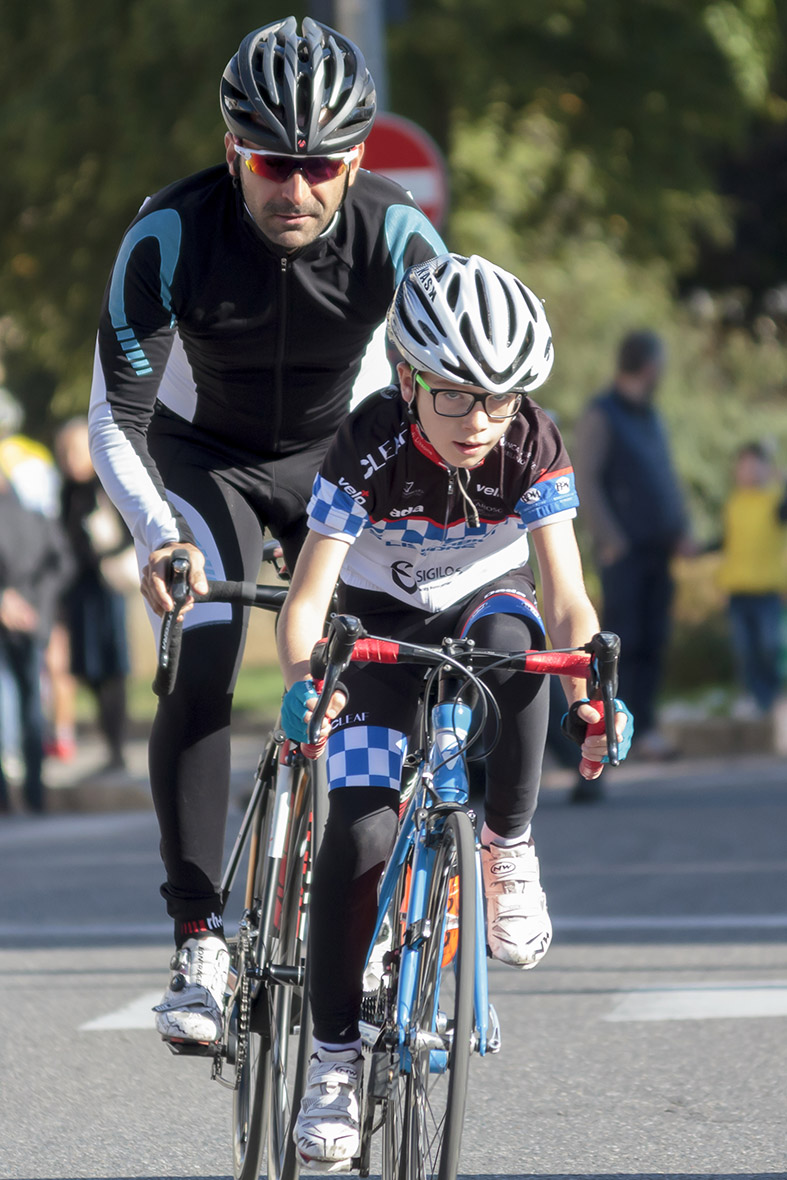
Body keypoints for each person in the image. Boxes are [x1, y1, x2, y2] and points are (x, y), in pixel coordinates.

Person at [87, 16, 445, 1044]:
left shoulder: (398, 234)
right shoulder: (171, 232)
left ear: (356, 161)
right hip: (206, 461)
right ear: (232, 150)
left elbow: (451, 396)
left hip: (342, 453)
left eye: (319, 165)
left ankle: (378, 912)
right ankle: (199, 936)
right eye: (271, 163)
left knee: (390, 656)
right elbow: (114, 418)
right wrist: (159, 536)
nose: (295, 188)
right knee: (204, 648)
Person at [275, 253, 633, 1169]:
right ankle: (333, 1063)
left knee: (521, 644)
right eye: (455, 396)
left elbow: (567, 598)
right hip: (375, 631)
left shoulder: (531, 442)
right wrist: (307, 679)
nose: (479, 420)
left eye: (500, 399)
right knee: (359, 829)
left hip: (482, 608)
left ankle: (506, 848)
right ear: (407, 380)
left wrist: (588, 695)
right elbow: (306, 602)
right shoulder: (367, 443)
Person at [573, 330, 693, 767]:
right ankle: (612, 729)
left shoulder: (649, 415)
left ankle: (647, 731)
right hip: (624, 556)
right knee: (624, 644)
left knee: (654, 643)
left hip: (659, 550)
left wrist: (681, 529)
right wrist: (612, 541)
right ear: (649, 365)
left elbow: (665, 478)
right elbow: (586, 480)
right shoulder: (601, 414)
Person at [55, 418, 135, 772]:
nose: (69, 458)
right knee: (87, 669)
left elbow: (127, 534)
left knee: (112, 667)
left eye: (75, 450)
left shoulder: (106, 485)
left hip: (107, 588)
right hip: (79, 591)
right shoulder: (65, 492)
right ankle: (110, 746)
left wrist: (101, 553)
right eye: (64, 452)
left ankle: (117, 749)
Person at [0, 470, 72, 813]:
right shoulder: (36, 516)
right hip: (31, 620)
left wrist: (19, 603)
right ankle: (33, 794)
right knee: (28, 705)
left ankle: (17, 795)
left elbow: (60, 564)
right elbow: (61, 564)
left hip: (26, 622)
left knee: (21, 705)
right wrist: (34, 608)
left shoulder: (34, 517)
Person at [716, 441, 787, 716]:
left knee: (768, 646)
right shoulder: (733, 505)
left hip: (767, 590)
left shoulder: (774, 503)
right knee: (744, 649)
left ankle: (769, 696)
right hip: (738, 590)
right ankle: (751, 696)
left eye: (756, 466)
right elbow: (727, 544)